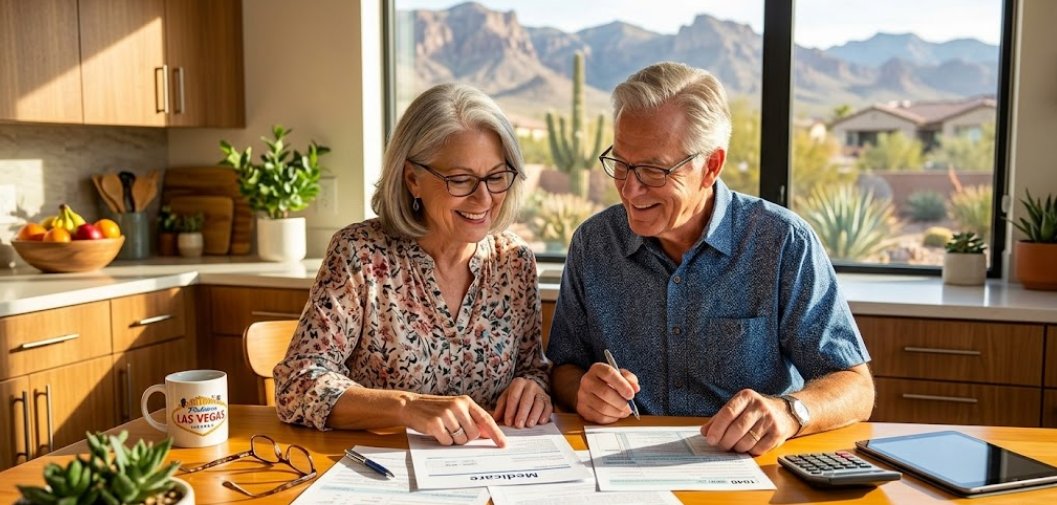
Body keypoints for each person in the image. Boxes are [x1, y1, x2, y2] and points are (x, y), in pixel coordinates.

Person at [546, 62, 874, 456]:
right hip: (621, 467)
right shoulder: (593, 243)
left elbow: (855, 386)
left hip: (749, 470)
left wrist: (789, 412)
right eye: (621, 163)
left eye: (652, 169)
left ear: (710, 166)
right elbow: (563, 367)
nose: (630, 190)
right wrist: (582, 390)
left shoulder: (782, 242)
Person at [274, 83, 552, 447]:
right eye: (461, 179)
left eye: (496, 177)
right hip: (385, 472)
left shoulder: (513, 262)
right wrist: (407, 407)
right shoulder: (359, 254)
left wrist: (532, 388)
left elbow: (532, 368)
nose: (484, 198)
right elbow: (298, 383)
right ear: (412, 179)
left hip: (492, 471)